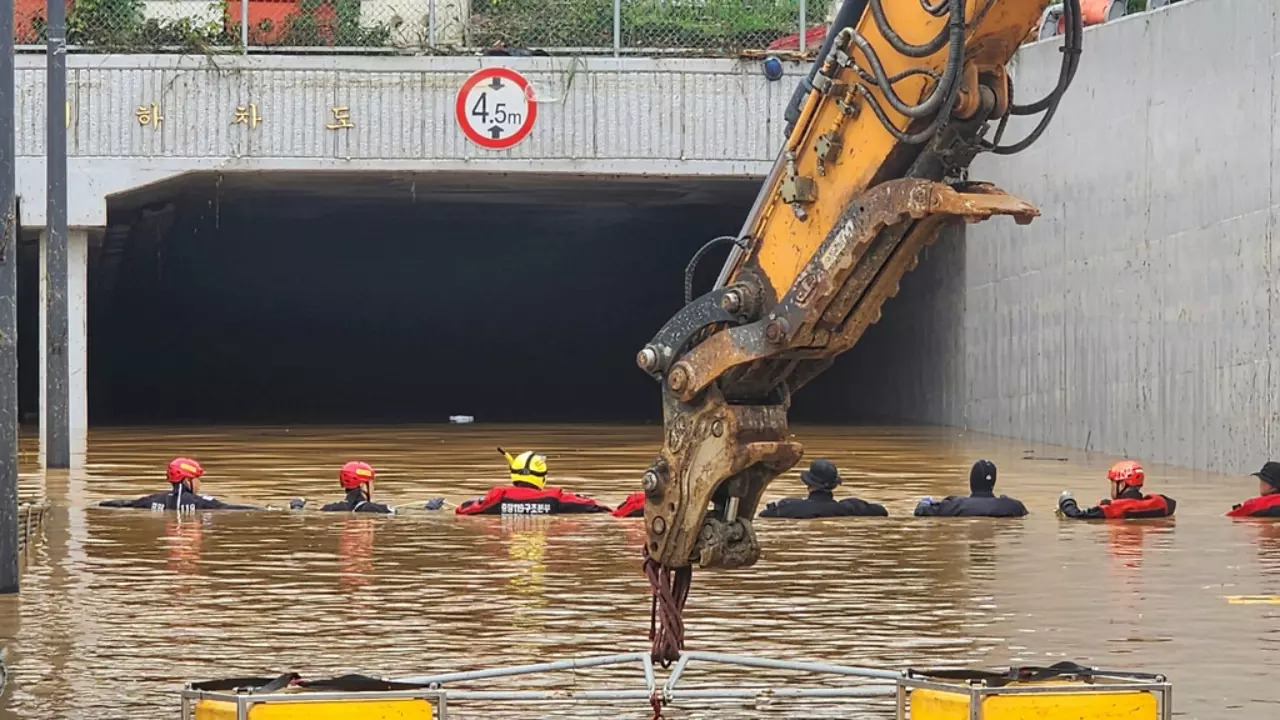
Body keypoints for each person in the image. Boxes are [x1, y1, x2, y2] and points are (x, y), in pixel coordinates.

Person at [456, 449, 611, 515]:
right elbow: (598, 509)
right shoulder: (557, 499)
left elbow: (463, 509)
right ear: (542, 476)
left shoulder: (495, 498)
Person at [98, 457, 262, 511]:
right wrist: (266, 509)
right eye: (197, 479)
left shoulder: (154, 500)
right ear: (187, 480)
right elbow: (230, 509)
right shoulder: (202, 503)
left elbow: (124, 504)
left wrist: (98, 504)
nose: (199, 483)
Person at [758, 458, 888, 518]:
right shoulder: (850, 507)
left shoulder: (789, 507)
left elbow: (763, 515)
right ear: (834, 485)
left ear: (809, 486)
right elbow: (882, 510)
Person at [1057, 459, 1175, 520]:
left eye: (1113, 483)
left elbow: (1076, 516)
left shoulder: (1112, 509)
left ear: (1122, 485)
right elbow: (1171, 504)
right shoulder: (1162, 503)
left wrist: (1066, 500)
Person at [913, 459, 1028, 517]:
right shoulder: (1013, 505)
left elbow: (920, 511)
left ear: (972, 480)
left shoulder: (955, 504)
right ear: (994, 481)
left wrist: (926, 502)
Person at [320, 461, 394, 514]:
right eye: (371, 483)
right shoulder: (383, 510)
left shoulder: (327, 508)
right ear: (362, 485)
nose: (373, 488)